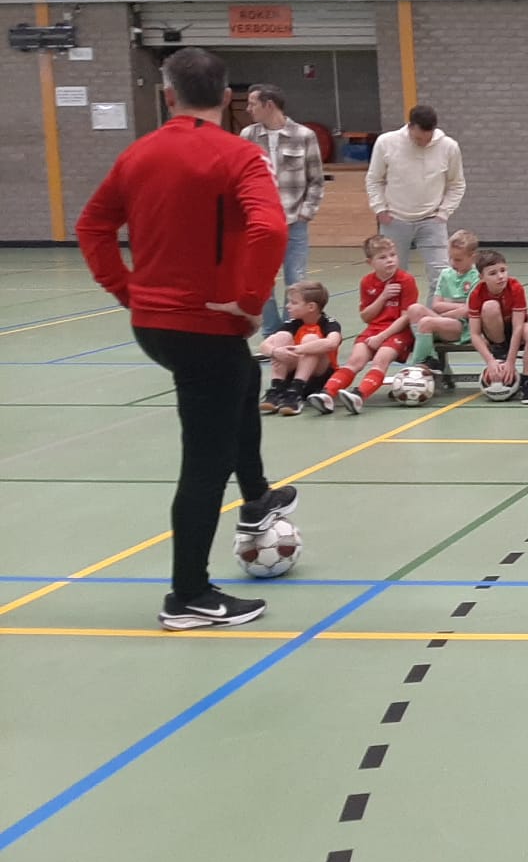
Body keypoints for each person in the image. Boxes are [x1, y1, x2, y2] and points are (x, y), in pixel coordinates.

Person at [76, 46, 296, 630]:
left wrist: (126, 291)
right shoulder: (237, 155)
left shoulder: (137, 154)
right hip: (204, 325)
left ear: (168, 95)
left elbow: (92, 225)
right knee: (204, 462)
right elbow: (271, 226)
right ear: (226, 99)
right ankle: (189, 596)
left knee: (245, 377)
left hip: (154, 326)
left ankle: (256, 495)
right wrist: (251, 302)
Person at [241, 83, 324, 337]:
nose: (248, 109)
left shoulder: (304, 135)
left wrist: (306, 212)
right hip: (260, 223)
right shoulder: (248, 136)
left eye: (253, 104)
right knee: (261, 281)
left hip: (294, 221)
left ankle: (291, 332)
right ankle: (271, 332)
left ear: (269, 105)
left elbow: (316, 179)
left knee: (295, 280)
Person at [309, 236, 417, 415]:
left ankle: (359, 395)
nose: (389, 260)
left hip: (398, 331)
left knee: (380, 360)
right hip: (373, 329)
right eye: (382, 257)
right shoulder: (367, 282)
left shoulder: (406, 280)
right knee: (355, 360)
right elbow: (366, 316)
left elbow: (406, 318)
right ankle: (327, 394)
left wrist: (382, 337)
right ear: (370, 262)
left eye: (392, 255)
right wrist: (382, 296)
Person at [366, 104, 466, 286]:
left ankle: (433, 315)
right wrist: (380, 209)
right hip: (394, 220)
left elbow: (457, 184)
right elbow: (374, 180)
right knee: (392, 277)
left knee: (442, 277)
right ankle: (397, 315)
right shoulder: (386, 142)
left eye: (427, 139)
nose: (423, 143)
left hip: (432, 221)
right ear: (410, 126)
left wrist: (444, 213)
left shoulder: (449, 147)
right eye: (419, 138)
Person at [407, 228, 482, 387]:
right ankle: (432, 359)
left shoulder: (477, 277)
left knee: (427, 322)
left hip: (464, 327)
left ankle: (415, 369)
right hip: (445, 321)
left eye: (458, 259)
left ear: (472, 257)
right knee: (414, 309)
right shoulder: (446, 274)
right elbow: (436, 305)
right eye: (450, 258)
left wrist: (445, 313)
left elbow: (468, 310)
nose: (453, 263)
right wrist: (456, 308)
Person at [259, 282, 342, 416]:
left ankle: (297, 391)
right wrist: (275, 351)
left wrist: (299, 349)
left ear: (311, 307)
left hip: (319, 378)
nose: (288, 306)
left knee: (311, 340)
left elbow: (332, 343)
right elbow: (264, 346)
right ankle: (277, 388)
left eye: (293, 303)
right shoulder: (292, 324)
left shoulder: (328, 323)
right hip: (291, 376)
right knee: (281, 337)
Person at [466, 249, 528, 401]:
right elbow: (474, 334)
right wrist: (490, 361)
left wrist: (511, 362)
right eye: (492, 273)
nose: (500, 276)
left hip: (514, 329)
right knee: (490, 306)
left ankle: (526, 381)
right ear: (482, 277)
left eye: (503, 270)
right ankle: (499, 351)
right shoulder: (477, 294)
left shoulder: (515, 287)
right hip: (493, 332)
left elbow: (518, 327)